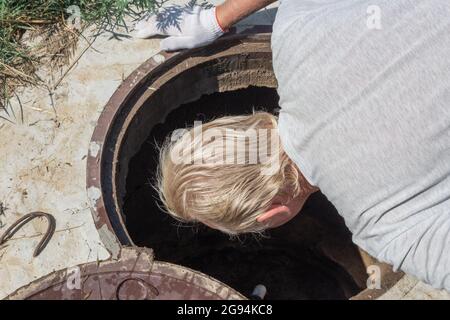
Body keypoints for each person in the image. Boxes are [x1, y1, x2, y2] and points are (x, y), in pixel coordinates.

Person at [135, 0, 450, 291]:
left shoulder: (388, 227)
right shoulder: (295, 35)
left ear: (273, 213)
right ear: (239, 123)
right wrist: (217, 18)